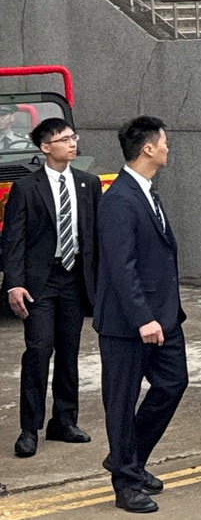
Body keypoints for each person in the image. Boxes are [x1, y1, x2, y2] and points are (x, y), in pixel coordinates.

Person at [95, 116, 187, 515]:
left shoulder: (147, 191)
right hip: (129, 322)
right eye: (164, 141)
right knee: (121, 400)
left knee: (173, 383)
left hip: (165, 316)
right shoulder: (119, 198)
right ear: (148, 148)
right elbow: (120, 265)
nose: (168, 147)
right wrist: (142, 317)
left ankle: (127, 458)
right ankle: (126, 483)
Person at [2, 118, 98, 459]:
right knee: (39, 350)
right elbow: (13, 240)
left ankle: (64, 420)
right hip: (40, 282)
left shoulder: (88, 184)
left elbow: (95, 238)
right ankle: (30, 428)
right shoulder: (27, 188)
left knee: (69, 352)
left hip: (75, 279)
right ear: (46, 147)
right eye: (64, 139)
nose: (72, 143)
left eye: (74, 137)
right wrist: (14, 283)